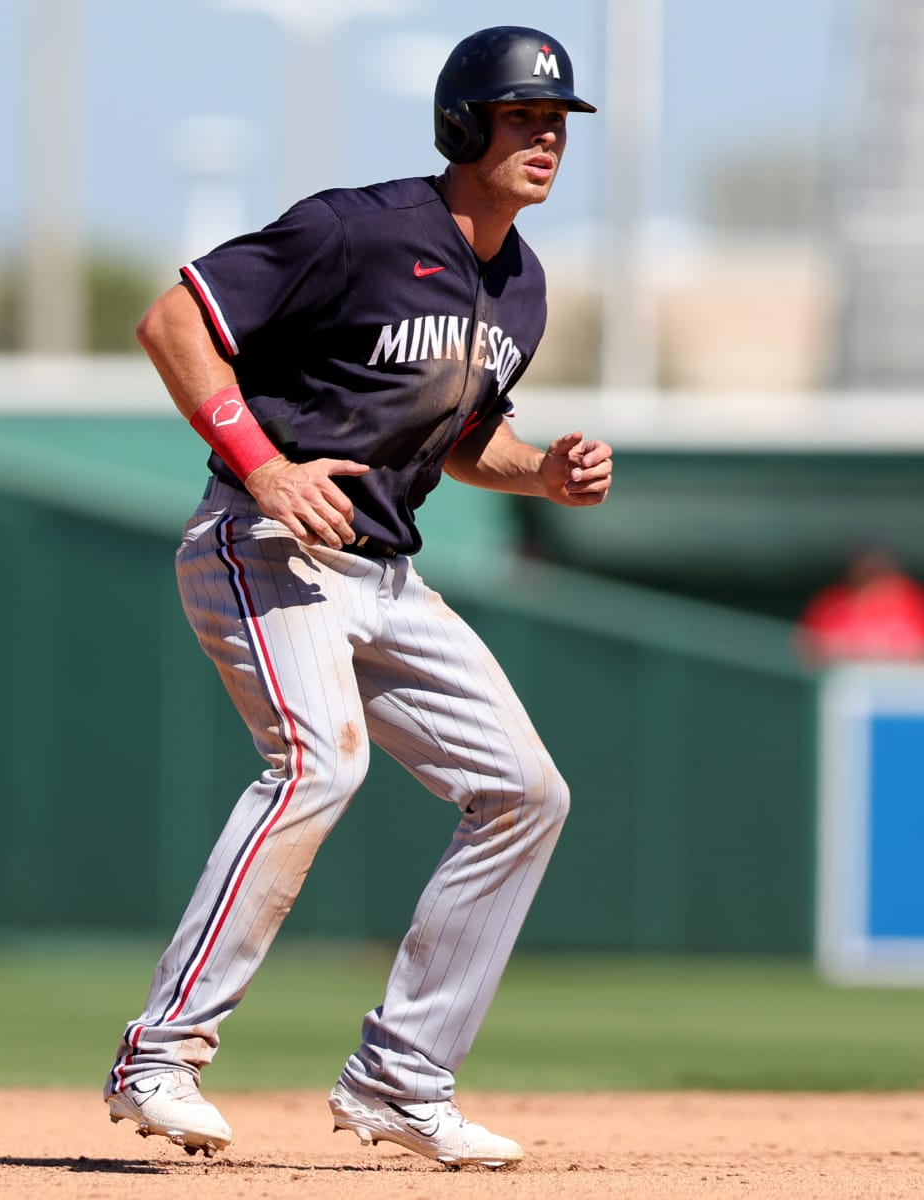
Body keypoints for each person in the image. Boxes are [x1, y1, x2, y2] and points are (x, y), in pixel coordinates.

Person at [103, 26, 609, 1171]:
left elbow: (472, 436)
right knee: (319, 762)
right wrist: (267, 467)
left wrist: (544, 472)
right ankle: (158, 1055)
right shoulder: (359, 228)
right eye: (524, 118)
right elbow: (172, 323)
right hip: (261, 539)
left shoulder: (518, 285)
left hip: (384, 573)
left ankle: (401, 1079)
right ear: (463, 124)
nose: (545, 141)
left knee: (526, 792)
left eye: (558, 124)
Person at [796, 543, 924, 663]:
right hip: (846, 694)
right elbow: (806, 653)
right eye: (866, 568)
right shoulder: (831, 604)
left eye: (878, 567)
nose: (872, 574)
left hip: (907, 693)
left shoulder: (917, 601)